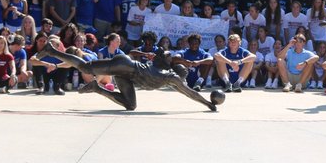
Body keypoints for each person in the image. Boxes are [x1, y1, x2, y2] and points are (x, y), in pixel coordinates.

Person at [34, 41, 222, 112]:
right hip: (124, 65)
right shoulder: (167, 71)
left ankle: (96, 88)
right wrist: (208, 104)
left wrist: (208, 103)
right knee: (85, 66)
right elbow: (190, 93)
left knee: (131, 105)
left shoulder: (170, 76)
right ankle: (51, 50)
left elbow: (189, 92)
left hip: (127, 75)